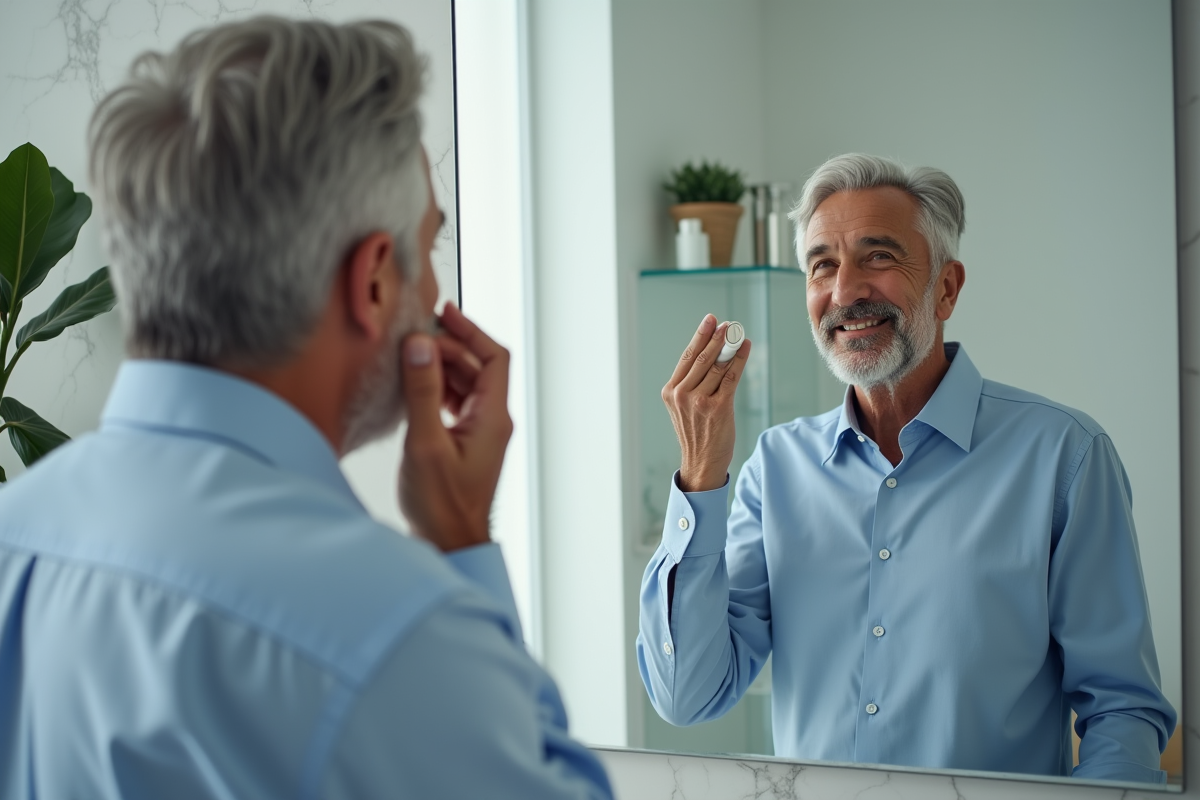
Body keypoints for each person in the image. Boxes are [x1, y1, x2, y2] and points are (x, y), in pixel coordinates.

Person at [0, 16, 612, 800]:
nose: (436, 299)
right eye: (429, 249)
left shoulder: (16, 537)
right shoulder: (394, 638)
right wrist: (462, 541)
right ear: (374, 282)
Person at [637, 153, 1176, 783]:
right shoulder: (774, 469)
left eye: (879, 257)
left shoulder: (1066, 457)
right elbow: (689, 696)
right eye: (822, 266)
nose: (845, 292)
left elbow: (1121, 709)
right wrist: (700, 478)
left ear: (946, 287)